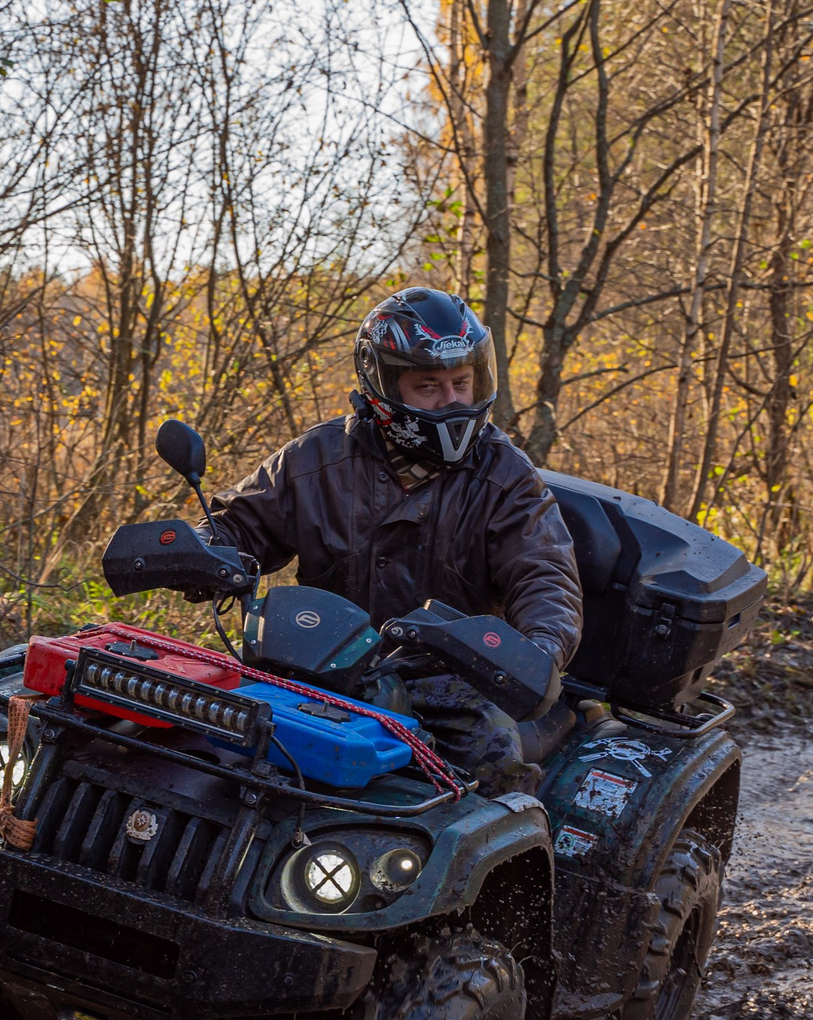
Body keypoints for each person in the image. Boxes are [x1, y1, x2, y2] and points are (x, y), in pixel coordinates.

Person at [203, 287, 583, 793]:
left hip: (445, 683)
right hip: (312, 663)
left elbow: (544, 572)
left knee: (493, 766)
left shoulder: (506, 477)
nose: (452, 401)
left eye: (461, 383)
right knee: (206, 743)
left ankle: (517, 866)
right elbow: (242, 524)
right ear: (383, 383)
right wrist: (198, 547)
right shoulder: (316, 459)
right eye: (429, 385)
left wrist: (539, 648)